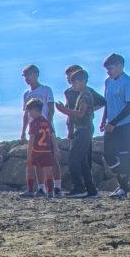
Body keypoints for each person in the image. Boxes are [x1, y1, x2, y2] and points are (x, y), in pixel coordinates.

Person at [55, 69, 99, 198]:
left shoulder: (85, 94)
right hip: (83, 130)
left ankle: (79, 188)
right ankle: (91, 190)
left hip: (84, 130)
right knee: (83, 161)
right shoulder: (82, 94)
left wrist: (63, 110)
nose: (72, 85)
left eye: (75, 82)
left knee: (73, 160)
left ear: (83, 81)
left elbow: (80, 114)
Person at [101, 53, 130, 199]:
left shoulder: (128, 82)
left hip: (127, 124)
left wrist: (113, 122)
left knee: (124, 155)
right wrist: (104, 120)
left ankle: (123, 187)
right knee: (108, 155)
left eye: (110, 68)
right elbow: (107, 103)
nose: (108, 72)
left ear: (120, 66)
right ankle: (123, 183)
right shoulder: (108, 82)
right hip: (111, 125)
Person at [21, 65, 60, 196]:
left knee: (51, 160)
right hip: (33, 129)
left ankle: (57, 187)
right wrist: (23, 131)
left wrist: (48, 124)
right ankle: (41, 188)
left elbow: (51, 108)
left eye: (29, 75)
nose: (27, 78)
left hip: (45, 128)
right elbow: (25, 115)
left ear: (36, 74)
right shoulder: (26, 94)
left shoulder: (46, 90)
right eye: (25, 76)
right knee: (36, 161)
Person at [23, 98, 60, 198]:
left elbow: (32, 139)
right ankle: (50, 192)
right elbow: (52, 135)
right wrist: (56, 148)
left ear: (35, 110)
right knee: (48, 171)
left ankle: (30, 190)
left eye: (30, 111)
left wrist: (29, 154)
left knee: (30, 168)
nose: (29, 113)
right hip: (47, 150)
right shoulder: (47, 122)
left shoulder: (34, 123)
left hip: (36, 150)